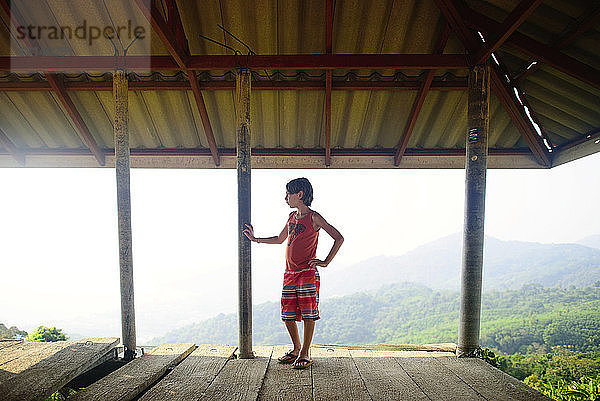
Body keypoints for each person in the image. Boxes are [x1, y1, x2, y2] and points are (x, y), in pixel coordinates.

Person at [242, 177, 344, 369]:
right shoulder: (291, 218)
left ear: (300, 194)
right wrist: (255, 239)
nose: (285, 197)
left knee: (308, 314)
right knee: (287, 314)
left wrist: (325, 262)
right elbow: (280, 239)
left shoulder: (314, 217)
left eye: (289, 193)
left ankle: (305, 352)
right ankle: (296, 348)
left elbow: (338, 238)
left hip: (307, 273)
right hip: (289, 273)